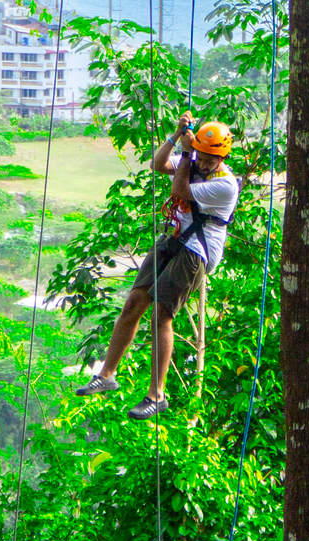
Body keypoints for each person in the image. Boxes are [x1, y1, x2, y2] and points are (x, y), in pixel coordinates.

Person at [73, 112, 239, 420]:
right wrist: (177, 137)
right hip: (174, 237)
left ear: (222, 157)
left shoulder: (226, 184)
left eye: (210, 160)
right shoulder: (193, 160)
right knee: (134, 302)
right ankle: (107, 374)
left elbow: (179, 192)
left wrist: (188, 154)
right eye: (201, 157)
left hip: (197, 250)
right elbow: (159, 164)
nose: (203, 164)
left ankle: (156, 394)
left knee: (162, 314)